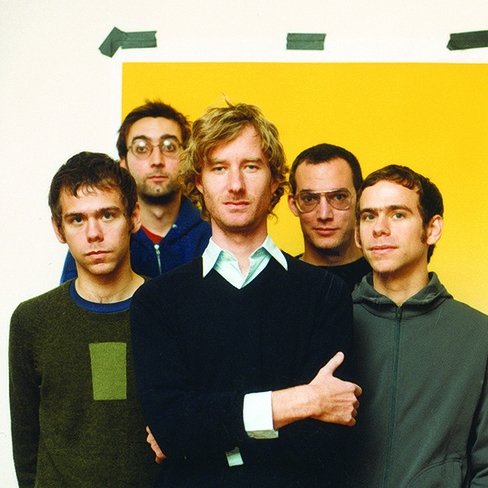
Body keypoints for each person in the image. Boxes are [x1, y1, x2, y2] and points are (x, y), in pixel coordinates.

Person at [130, 102, 362, 487]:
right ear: (198, 181)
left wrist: (206, 433)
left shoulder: (324, 293)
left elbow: (326, 440)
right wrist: (301, 401)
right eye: (219, 168)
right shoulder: (158, 301)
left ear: (275, 181)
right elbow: (172, 428)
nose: (235, 185)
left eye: (251, 167)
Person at [9, 152, 160, 488]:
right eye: (77, 219)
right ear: (58, 229)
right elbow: (25, 441)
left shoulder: (171, 310)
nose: (94, 233)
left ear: (134, 217)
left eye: (107, 215)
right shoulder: (32, 321)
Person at [351, 164, 488, 486]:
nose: (379, 228)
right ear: (357, 234)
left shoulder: (478, 335)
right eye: (369, 216)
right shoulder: (329, 322)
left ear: (432, 228)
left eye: (398, 214)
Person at [60, 100, 211, 282]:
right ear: (123, 162)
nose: (157, 160)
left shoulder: (212, 233)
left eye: (169, 147)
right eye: (141, 148)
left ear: (186, 158)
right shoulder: (100, 241)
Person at [288, 143, 371, 291]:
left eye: (339, 197)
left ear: (360, 200)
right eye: (309, 199)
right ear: (294, 205)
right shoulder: (278, 282)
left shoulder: (387, 277)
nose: (324, 215)